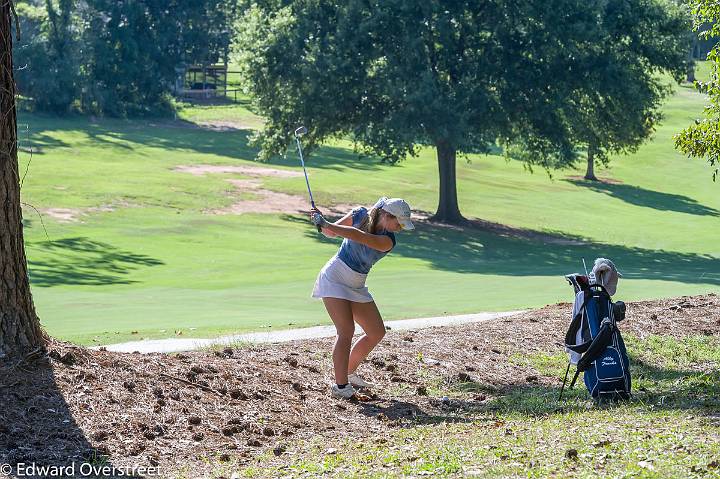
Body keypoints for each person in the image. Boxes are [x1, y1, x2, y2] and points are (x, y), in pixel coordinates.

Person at [309, 197, 414, 399]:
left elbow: (359, 237)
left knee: (376, 332)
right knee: (346, 330)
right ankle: (341, 387)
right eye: (398, 222)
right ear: (385, 215)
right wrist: (320, 221)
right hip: (334, 277)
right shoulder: (359, 214)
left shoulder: (388, 241)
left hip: (356, 284)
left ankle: (347, 371)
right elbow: (330, 232)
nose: (399, 228)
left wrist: (326, 223)